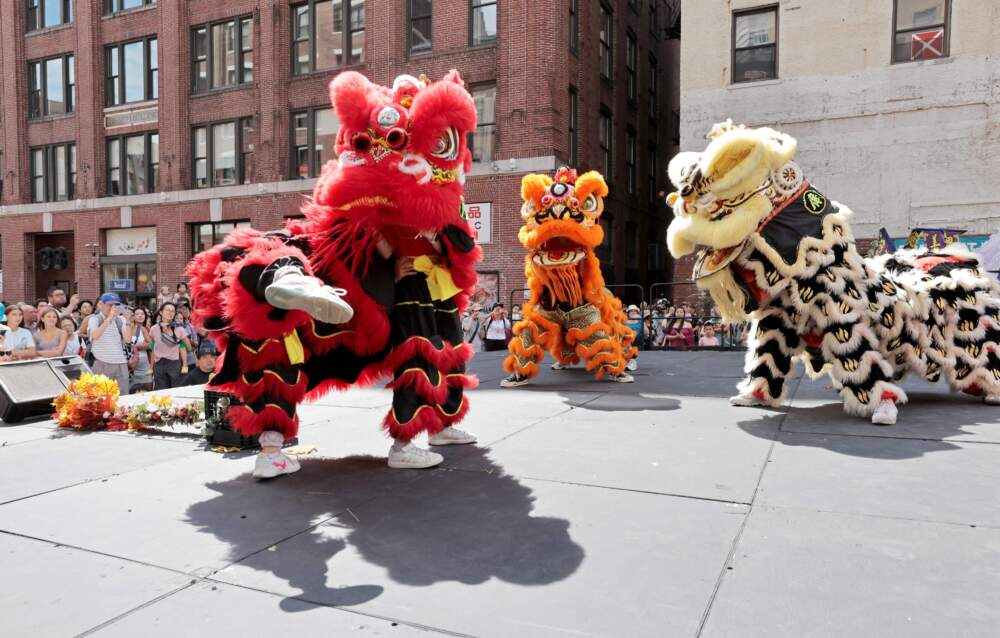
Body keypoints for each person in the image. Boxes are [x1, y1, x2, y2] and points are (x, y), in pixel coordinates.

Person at [87, 293, 130, 394]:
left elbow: (127, 340)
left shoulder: (120, 320)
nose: (112, 308)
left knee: (122, 396)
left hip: (120, 363)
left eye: (115, 305)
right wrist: (109, 319)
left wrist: (128, 322)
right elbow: (94, 336)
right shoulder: (95, 319)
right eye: (110, 305)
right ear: (101, 304)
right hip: (102, 362)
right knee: (101, 397)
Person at [149, 302, 193, 390]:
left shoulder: (179, 328)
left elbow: (189, 348)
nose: (170, 312)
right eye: (168, 310)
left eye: (172, 311)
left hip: (174, 364)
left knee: (176, 390)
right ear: (161, 312)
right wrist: (151, 366)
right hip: (159, 364)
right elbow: (154, 348)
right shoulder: (154, 329)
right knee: (161, 392)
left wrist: (181, 341)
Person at [125, 307, 153, 393]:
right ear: (133, 316)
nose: (140, 316)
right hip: (129, 364)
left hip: (143, 363)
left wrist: (137, 346)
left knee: (147, 389)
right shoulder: (126, 328)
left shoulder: (143, 329)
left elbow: (151, 345)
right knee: (130, 390)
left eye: (142, 314)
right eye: (137, 314)